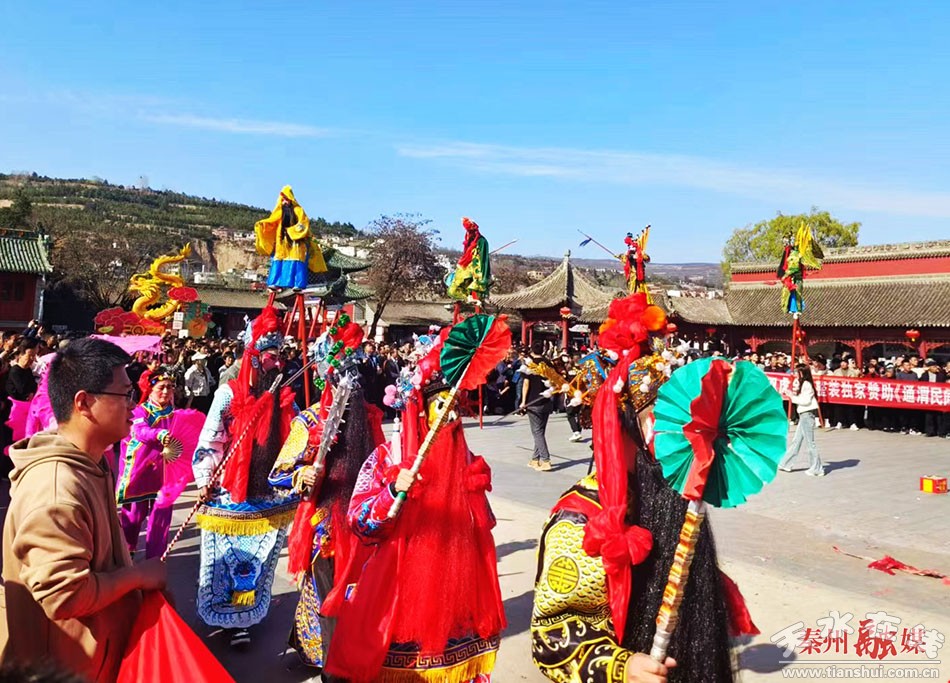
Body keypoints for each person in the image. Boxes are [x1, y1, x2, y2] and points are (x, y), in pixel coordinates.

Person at [531, 294, 754, 683]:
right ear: (624, 426)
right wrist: (620, 666)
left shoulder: (679, 498)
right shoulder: (580, 519)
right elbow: (552, 632)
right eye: (660, 423)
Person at [1, 337, 167, 682]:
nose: (134, 406)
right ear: (84, 402)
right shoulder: (57, 490)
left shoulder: (93, 464)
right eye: (126, 394)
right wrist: (138, 576)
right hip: (64, 669)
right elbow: (66, 596)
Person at [324, 368, 506, 682]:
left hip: (459, 588)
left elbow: (484, 524)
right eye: (441, 406)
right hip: (399, 589)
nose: (450, 416)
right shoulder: (389, 457)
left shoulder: (466, 459)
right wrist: (392, 492)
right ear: (422, 410)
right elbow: (358, 520)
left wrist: (473, 491)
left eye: (455, 407)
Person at [268, 318, 383, 674]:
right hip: (326, 528)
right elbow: (277, 474)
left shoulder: (369, 419)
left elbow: (380, 466)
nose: (351, 383)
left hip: (364, 523)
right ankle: (334, 668)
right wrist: (302, 474)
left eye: (355, 375)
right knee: (328, 598)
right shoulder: (309, 422)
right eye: (343, 375)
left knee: (366, 597)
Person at [191, 306, 299, 650]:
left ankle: (246, 618)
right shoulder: (228, 394)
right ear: (253, 356)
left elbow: (297, 440)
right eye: (270, 356)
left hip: (268, 494)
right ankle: (225, 620)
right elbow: (210, 440)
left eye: (279, 357)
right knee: (226, 562)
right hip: (230, 492)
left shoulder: (285, 398)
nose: (277, 363)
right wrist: (204, 479)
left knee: (259, 562)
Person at [115, 371, 183, 558]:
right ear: (150, 390)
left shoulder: (175, 413)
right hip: (140, 470)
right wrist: (159, 434)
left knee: (161, 516)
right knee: (133, 515)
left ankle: (155, 557)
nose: (166, 391)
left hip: (165, 472)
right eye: (161, 387)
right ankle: (127, 551)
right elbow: (139, 431)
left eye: (169, 387)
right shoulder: (141, 411)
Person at [254, 185, 327, 291]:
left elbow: (303, 224)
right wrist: (262, 225)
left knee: (297, 261)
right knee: (279, 261)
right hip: (281, 242)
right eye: (283, 200)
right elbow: (272, 222)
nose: (284, 202)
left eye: (286, 199)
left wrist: (291, 232)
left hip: (296, 242)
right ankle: (275, 283)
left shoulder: (299, 210)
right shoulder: (279, 212)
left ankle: (298, 284)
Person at [779, 364, 824, 476]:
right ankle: (786, 463)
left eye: (797, 372)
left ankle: (817, 468)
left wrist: (792, 396)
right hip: (804, 414)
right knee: (797, 440)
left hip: (807, 414)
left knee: (810, 442)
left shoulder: (807, 384)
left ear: (802, 373)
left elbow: (805, 401)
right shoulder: (803, 384)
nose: (795, 374)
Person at [522, 344, 555, 472]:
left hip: (533, 401)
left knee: (537, 432)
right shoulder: (548, 363)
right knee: (540, 432)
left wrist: (523, 402)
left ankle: (546, 460)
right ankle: (535, 459)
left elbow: (526, 384)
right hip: (546, 401)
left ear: (532, 351)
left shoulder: (529, 364)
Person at [446, 217, 492, 303]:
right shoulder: (469, 240)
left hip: (476, 267)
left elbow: (483, 259)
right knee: (459, 280)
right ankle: (467, 297)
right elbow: (466, 253)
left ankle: (477, 298)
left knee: (472, 280)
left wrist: (483, 275)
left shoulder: (482, 241)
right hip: (466, 265)